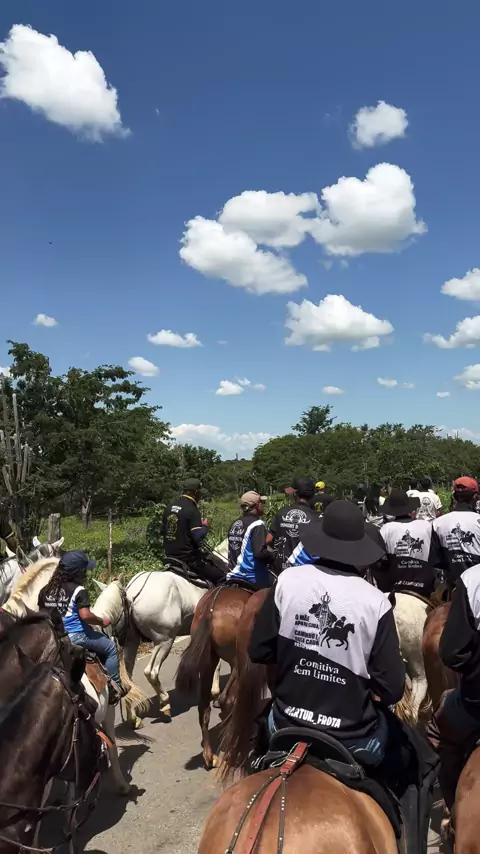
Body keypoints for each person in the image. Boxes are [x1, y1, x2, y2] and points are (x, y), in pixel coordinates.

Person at [249, 500, 404, 765]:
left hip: (285, 721)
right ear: (360, 547)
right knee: (411, 758)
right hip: (351, 734)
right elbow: (392, 689)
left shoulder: (287, 581)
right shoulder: (376, 602)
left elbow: (259, 650)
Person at [427, 561, 480, 809]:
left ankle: (452, 810)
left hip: (476, 702)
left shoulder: (473, 579)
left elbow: (451, 653)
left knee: (437, 730)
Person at [38, 550, 123, 695]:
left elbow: (42, 614)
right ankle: (115, 687)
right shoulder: (79, 590)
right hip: (74, 636)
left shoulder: (45, 590)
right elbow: (85, 615)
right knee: (110, 648)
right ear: (78, 572)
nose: (86, 574)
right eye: (84, 571)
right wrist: (102, 621)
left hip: (51, 636)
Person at [375, 489, 439, 598]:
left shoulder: (386, 529)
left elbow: (379, 560)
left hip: (395, 588)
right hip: (424, 587)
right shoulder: (426, 526)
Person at [162, 478, 226, 585]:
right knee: (221, 576)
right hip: (188, 559)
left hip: (169, 556)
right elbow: (197, 537)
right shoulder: (192, 509)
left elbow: (163, 531)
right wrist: (205, 526)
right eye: (200, 493)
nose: (200, 497)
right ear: (195, 493)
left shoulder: (169, 507)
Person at [433, 477, 480, 586]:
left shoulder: (437, 523)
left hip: (453, 585)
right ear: (475, 496)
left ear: (454, 497)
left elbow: (436, 561)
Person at [268, 478, 319, 572]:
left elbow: (268, 539)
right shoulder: (317, 518)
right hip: (306, 572)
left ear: (295, 494)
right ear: (313, 495)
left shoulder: (281, 513)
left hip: (281, 571)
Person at [226, 491, 273, 590]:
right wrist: (273, 557)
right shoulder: (257, 524)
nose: (263, 506)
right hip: (253, 577)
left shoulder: (235, 524)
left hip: (233, 575)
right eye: (262, 503)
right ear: (257, 505)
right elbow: (259, 553)